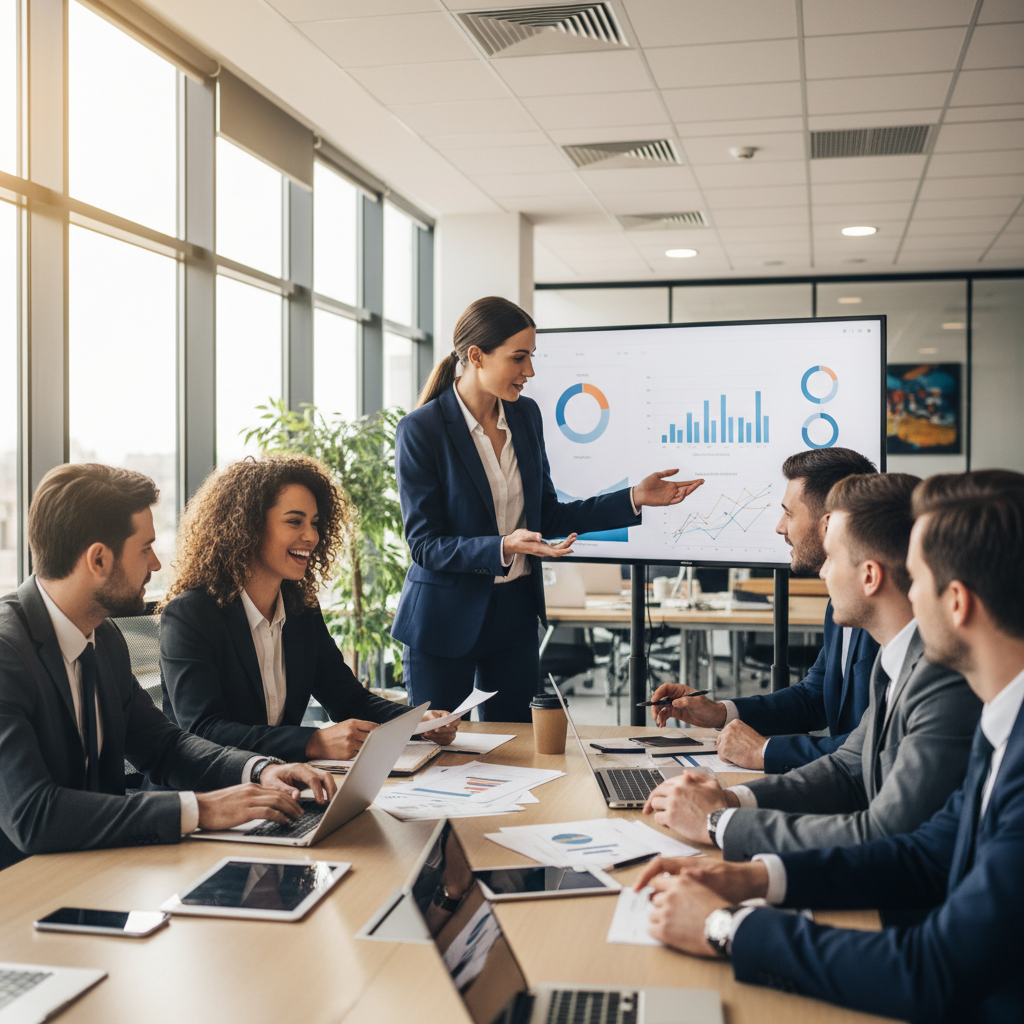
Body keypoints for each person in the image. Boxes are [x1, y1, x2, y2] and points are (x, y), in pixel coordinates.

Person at [633, 470, 1024, 1024]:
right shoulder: (1002, 722)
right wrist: (756, 877)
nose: (905, 596)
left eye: (914, 578)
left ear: (956, 602)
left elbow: (933, 969)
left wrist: (727, 925)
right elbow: (927, 852)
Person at [0, 463, 335, 872]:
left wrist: (260, 770)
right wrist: (202, 809)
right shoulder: (6, 654)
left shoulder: (103, 639)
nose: (156, 565)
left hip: (103, 872)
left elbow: (164, 745)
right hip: (20, 896)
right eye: (145, 548)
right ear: (99, 559)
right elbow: (33, 815)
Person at [391, 296, 703, 722]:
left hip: (515, 616)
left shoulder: (525, 417)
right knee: (439, 753)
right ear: (476, 356)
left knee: (518, 751)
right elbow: (426, 545)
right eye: (519, 358)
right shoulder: (421, 429)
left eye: (531, 357)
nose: (530, 372)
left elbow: (549, 514)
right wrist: (503, 545)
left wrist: (634, 497)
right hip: (443, 622)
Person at [642, 472, 981, 861]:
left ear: (869, 575)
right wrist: (730, 799)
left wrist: (718, 822)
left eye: (832, 557)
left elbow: (886, 834)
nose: (823, 571)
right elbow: (848, 768)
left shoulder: (938, 677)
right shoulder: (895, 660)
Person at [160, 455, 457, 764]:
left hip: (280, 786)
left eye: (314, 524)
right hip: (207, 796)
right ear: (247, 526)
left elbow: (348, 699)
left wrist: (417, 722)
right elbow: (203, 731)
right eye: (294, 521)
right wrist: (313, 742)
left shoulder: (301, 609)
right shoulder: (190, 615)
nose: (312, 536)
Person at [650, 447, 879, 771]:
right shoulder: (839, 604)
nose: (779, 527)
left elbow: (877, 749)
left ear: (828, 523)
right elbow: (814, 698)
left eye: (789, 513)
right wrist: (719, 712)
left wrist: (766, 750)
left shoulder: (884, 613)